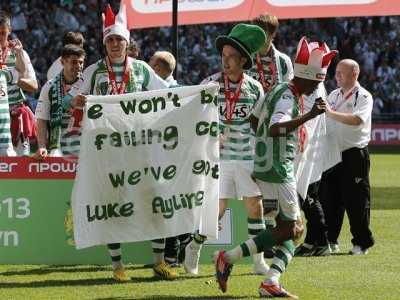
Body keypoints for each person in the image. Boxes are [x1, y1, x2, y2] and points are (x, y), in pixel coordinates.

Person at [213, 37, 337, 298]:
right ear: (308, 77)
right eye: (318, 80)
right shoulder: (287, 97)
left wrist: (263, 148)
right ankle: (229, 257)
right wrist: (309, 116)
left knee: (292, 229)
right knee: (290, 229)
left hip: (268, 166)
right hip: (278, 170)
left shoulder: (279, 89)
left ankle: (271, 280)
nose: (318, 86)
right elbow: (274, 127)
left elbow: (255, 119)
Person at [66, 3, 174, 282]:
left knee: (155, 200)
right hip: (108, 152)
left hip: (141, 148)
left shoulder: (140, 69)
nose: (115, 44)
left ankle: (159, 262)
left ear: (127, 42)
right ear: (105, 43)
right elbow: (72, 97)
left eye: (119, 39)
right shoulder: (93, 71)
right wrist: (77, 101)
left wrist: (199, 95)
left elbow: (168, 94)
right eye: (110, 40)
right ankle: (117, 265)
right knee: (112, 205)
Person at [183, 23, 270, 276]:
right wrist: (212, 132)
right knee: (216, 212)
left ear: (243, 60)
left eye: (232, 57)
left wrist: (261, 161)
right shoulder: (209, 84)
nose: (226, 61)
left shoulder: (255, 88)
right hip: (217, 159)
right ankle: (193, 248)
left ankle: (258, 261)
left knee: (255, 208)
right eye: (224, 56)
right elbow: (194, 115)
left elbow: (259, 126)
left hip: (246, 157)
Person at [248, 14, 294, 258]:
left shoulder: (284, 61)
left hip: (275, 130)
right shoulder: (245, 58)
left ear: (272, 34)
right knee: (255, 182)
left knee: (274, 180)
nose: (257, 36)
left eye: (262, 32)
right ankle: (262, 237)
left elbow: (291, 93)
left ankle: (274, 235)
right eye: (254, 31)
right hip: (250, 127)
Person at [320, 59, 374, 255]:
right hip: (332, 153)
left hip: (354, 153)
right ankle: (330, 240)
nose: (337, 76)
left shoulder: (364, 96)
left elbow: (358, 120)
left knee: (356, 200)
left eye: (342, 73)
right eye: (336, 73)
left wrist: (330, 113)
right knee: (329, 199)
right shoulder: (333, 95)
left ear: (354, 74)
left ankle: (361, 243)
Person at [148, 50, 191, 267]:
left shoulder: (179, 92)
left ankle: (173, 252)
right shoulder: (185, 91)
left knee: (169, 204)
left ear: (156, 69)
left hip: (173, 159)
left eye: (150, 64)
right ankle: (176, 248)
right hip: (159, 158)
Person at [34, 44, 85, 160]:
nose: (78, 66)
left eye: (81, 62)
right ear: (63, 62)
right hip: (58, 146)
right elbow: (41, 119)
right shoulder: (50, 86)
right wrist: (42, 146)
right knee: (54, 158)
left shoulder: (88, 84)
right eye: (74, 62)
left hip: (84, 144)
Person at [0, 11, 38, 156]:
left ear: (9, 31)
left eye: (3, 33)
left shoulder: (18, 53)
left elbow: (34, 86)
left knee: (20, 169)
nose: (0, 37)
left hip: (16, 118)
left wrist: (15, 79)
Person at [0, 38, 27, 156]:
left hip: (13, 114)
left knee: (19, 163)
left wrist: (19, 53)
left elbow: (22, 71)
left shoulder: (5, 72)